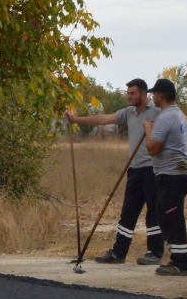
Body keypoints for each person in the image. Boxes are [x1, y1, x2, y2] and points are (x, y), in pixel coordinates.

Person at [66, 80, 164, 265]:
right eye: (128, 93)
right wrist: (77, 120)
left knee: (154, 212)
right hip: (134, 168)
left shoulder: (157, 111)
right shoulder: (128, 112)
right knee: (128, 212)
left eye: (132, 93)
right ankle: (119, 253)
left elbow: (179, 121)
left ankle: (155, 252)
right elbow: (104, 119)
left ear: (144, 94)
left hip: (153, 169)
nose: (129, 96)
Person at [145, 77, 187, 276]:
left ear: (160, 95)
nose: (152, 97)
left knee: (172, 218)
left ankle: (182, 263)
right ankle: (176, 258)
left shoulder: (166, 118)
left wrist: (149, 129)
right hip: (175, 173)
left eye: (154, 93)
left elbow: (153, 149)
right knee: (163, 215)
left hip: (172, 174)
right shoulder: (177, 114)